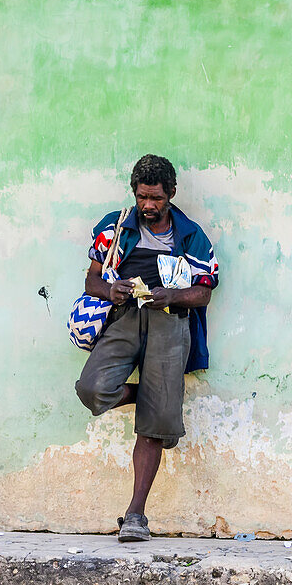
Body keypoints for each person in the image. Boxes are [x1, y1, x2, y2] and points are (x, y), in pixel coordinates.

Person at [75, 154, 219, 542]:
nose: (148, 205)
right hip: (124, 317)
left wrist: (171, 294)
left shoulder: (190, 236)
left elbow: (204, 294)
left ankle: (136, 514)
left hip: (170, 322)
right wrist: (111, 289)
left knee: (153, 427)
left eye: (156, 197)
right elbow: (91, 280)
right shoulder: (116, 227)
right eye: (142, 197)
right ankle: (158, 404)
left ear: (171, 193)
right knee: (92, 389)